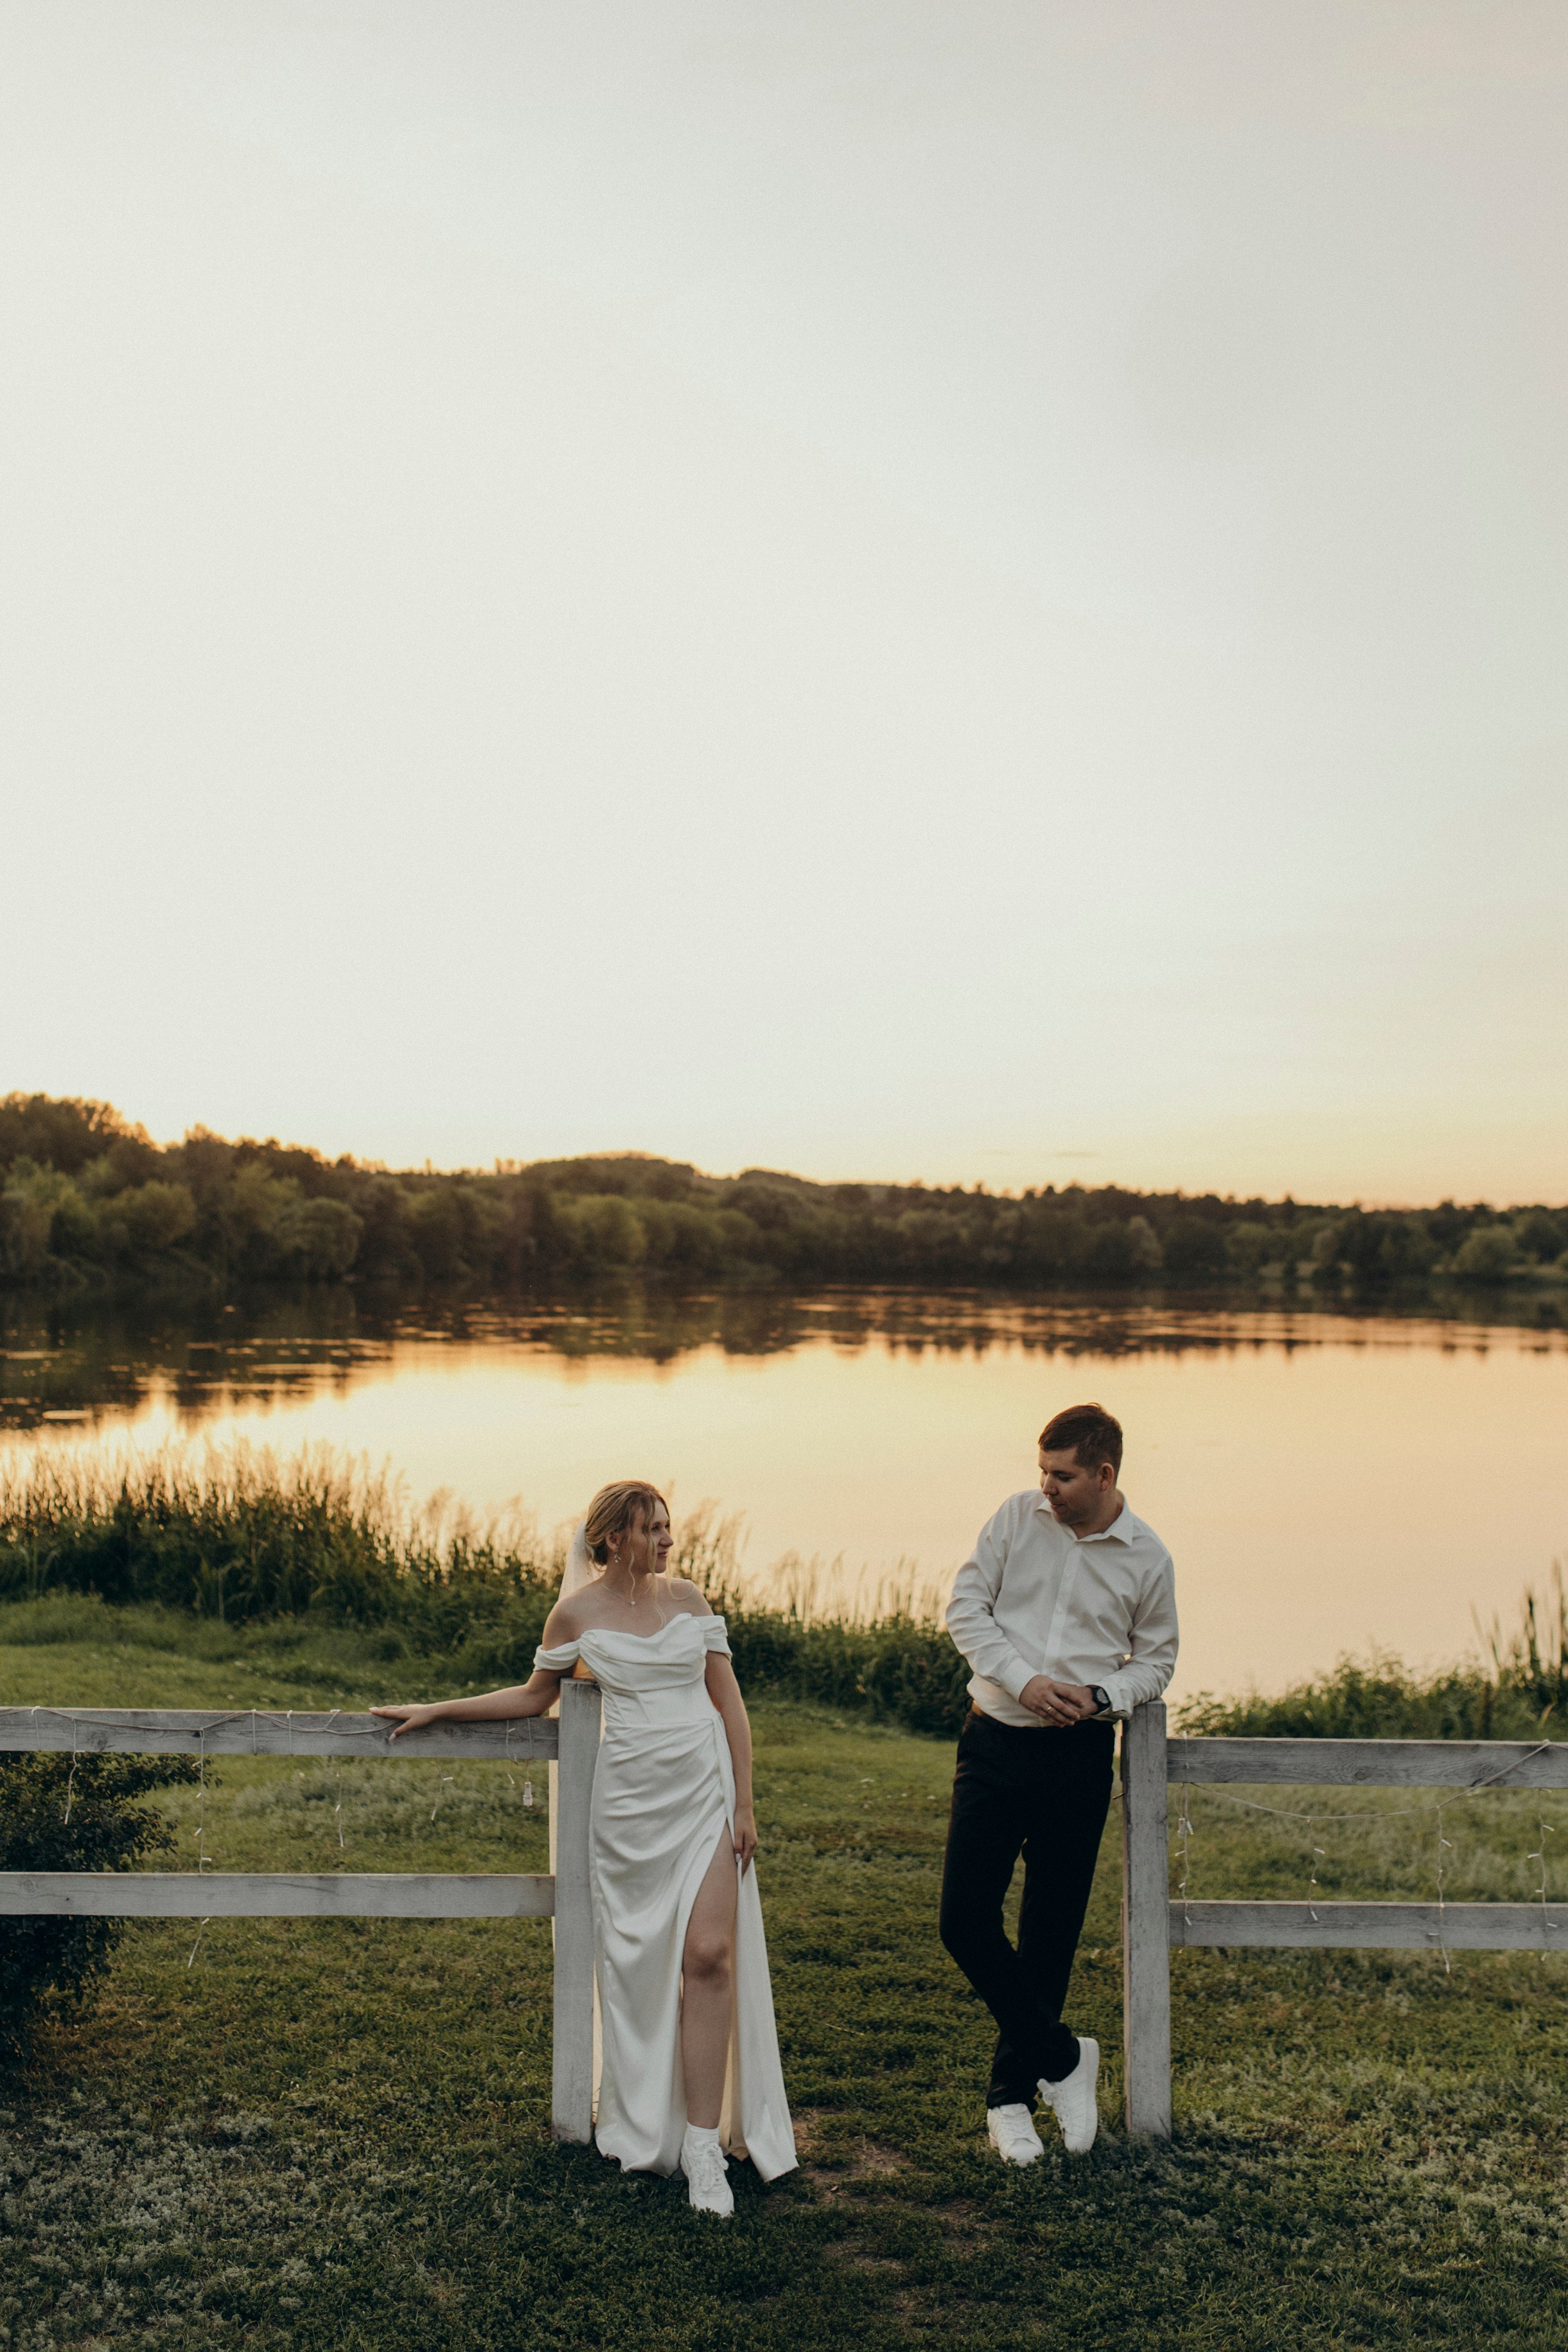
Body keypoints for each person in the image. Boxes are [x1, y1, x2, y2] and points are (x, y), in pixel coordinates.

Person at [372, 1478, 797, 2215]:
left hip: (705, 1795)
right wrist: (441, 1708)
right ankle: (646, 2113)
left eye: (668, 1525)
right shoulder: (576, 1612)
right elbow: (534, 1695)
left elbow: (729, 1703)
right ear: (610, 1540)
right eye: (652, 1529)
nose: (667, 1540)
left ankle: (703, 2147)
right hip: (630, 1807)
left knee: (709, 1955)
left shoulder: (689, 1601)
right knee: (637, 1967)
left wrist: (746, 1802)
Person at [940, 1402, 1177, 2164]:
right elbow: (965, 1610)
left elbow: (1157, 1658)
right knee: (963, 1920)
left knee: (1050, 1930)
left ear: (1103, 1474)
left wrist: (1105, 1697)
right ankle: (1064, 2057)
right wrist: (1024, 1678)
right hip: (993, 1741)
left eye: (1062, 1474)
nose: (1046, 1486)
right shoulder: (1014, 1519)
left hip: (1077, 1756)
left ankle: (1009, 2099)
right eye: (1042, 1471)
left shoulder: (1148, 1556)